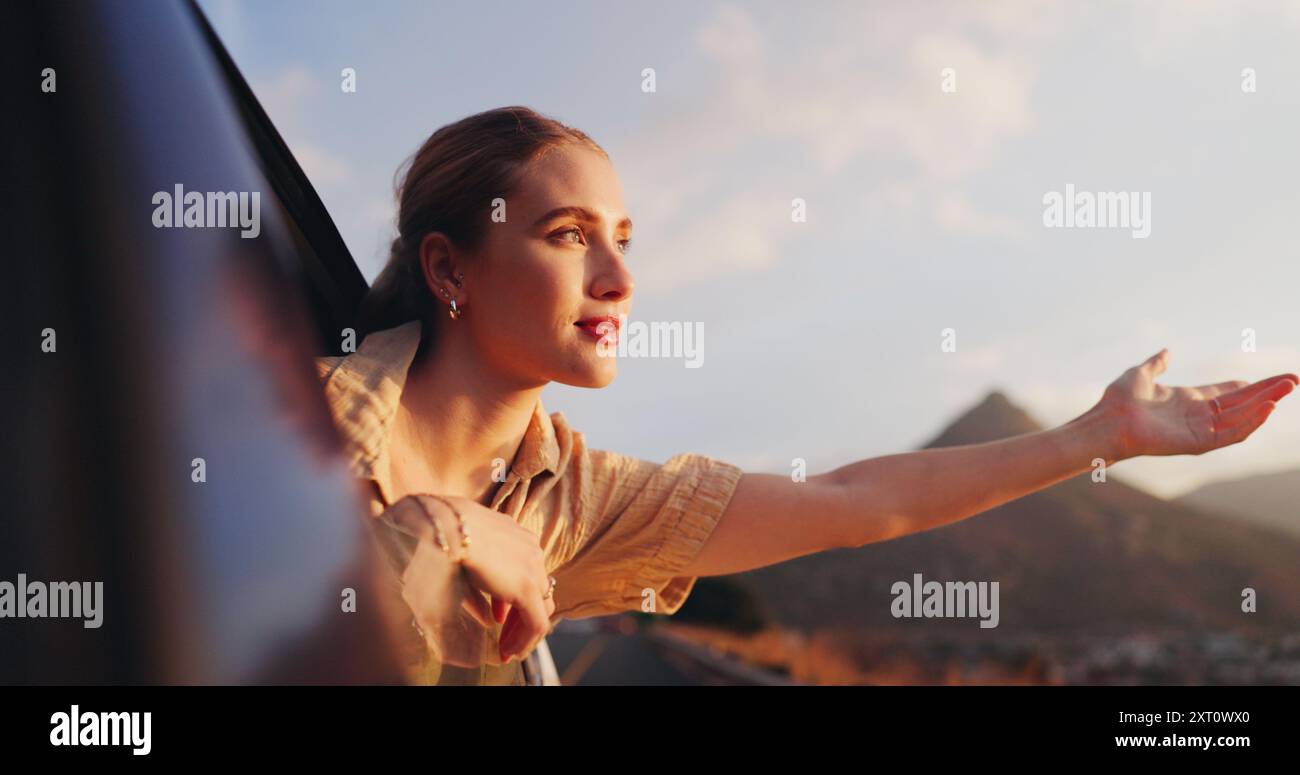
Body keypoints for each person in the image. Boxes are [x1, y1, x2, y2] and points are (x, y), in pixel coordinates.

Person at [316, 105, 1297, 685]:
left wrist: (1104, 434)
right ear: (451, 266)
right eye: (570, 234)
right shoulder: (283, 421)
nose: (618, 275)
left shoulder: (580, 499)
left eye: (625, 236)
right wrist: (431, 534)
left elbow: (855, 503)